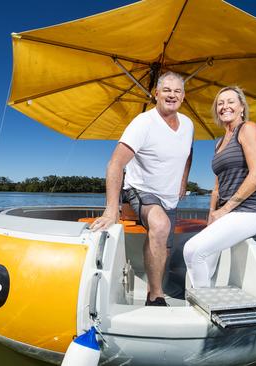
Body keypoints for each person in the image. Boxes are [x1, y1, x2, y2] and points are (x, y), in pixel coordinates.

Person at [90, 71, 193, 306]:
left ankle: (153, 287)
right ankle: (155, 296)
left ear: (183, 96)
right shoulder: (143, 123)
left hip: (170, 198)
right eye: (166, 90)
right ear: (156, 93)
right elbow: (115, 163)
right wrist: (111, 210)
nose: (172, 95)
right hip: (140, 189)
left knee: (165, 246)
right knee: (160, 224)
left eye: (177, 91)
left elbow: (188, 154)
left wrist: (183, 181)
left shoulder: (188, 124)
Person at [183, 86, 256, 288]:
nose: (225, 106)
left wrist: (224, 210)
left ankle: (205, 305)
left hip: (252, 212)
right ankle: (205, 302)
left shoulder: (249, 128)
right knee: (204, 263)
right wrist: (212, 214)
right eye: (220, 103)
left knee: (192, 251)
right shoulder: (219, 143)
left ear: (241, 107)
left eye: (230, 101)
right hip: (225, 213)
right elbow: (217, 187)